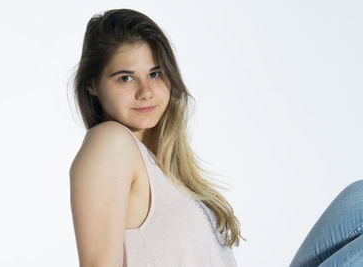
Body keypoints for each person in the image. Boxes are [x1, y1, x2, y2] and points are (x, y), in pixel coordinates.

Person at [69, 8, 363, 267]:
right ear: (92, 85)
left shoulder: (159, 163)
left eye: (156, 74)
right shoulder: (109, 142)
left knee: (359, 198)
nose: (146, 91)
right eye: (126, 77)